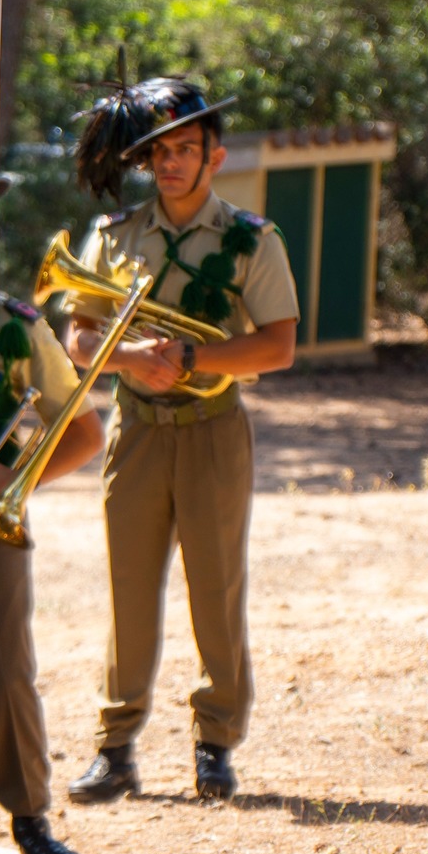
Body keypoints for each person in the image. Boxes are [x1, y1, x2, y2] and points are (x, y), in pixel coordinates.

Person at [65, 74, 299, 805]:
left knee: (216, 587)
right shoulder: (114, 237)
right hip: (137, 429)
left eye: (186, 149)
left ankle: (215, 743)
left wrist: (195, 357)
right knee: (129, 587)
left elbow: (278, 346)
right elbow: (79, 337)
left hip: (212, 430)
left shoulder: (251, 239)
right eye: (160, 151)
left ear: (214, 158)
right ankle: (115, 748)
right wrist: (131, 358)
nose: (170, 162)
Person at [0, 190, 105, 854]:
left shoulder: (15, 326)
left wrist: (13, 483)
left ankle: (30, 817)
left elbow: (86, 433)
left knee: (7, 668)